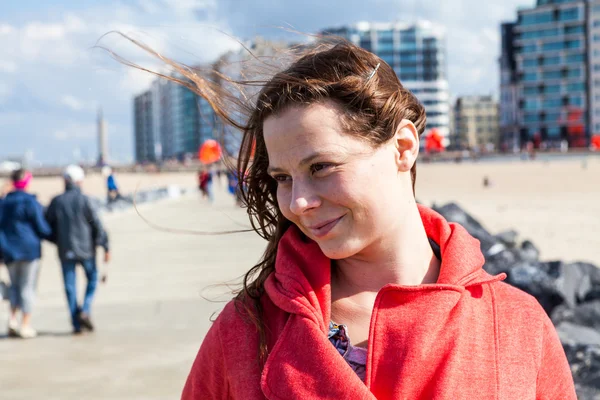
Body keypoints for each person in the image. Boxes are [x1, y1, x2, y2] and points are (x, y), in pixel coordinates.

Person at [125, 39, 575, 397]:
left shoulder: (516, 326)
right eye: (282, 178)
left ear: (402, 148)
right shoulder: (246, 332)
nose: (297, 202)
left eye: (321, 167)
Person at [45, 165, 110, 334]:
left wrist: (57, 240)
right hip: (86, 249)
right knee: (92, 279)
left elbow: (47, 226)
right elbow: (95, 224)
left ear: (65, 181)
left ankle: (76, 322)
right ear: (80, 181)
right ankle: (85, 310)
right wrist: (102, 244)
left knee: (70, 286)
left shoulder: (56, 202)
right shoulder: (85, 200)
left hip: (65, 250)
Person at [0, 169, 52, 338]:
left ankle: (13, 320)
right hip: (29, 250)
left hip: (8, 250)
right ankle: (25, 324)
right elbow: (42, 227)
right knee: (27, 287)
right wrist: (55, 236)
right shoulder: (31, 202)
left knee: (15, 285)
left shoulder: (3, 203)